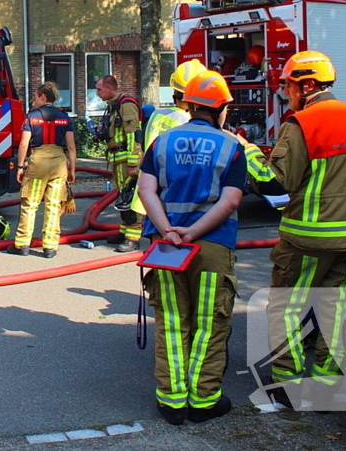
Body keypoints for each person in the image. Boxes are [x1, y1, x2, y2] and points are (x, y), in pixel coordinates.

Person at [263, 51, 346, 408]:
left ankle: (287, 383)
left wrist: (249, 154)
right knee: (336, 309)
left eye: (288, 85)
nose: (286, 92)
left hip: (308, 237)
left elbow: (277, 184)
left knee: (287, 307)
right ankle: (329, 381)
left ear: (308, 85)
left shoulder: (302, 123)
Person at [136, 70, 246, 425]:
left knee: (171, 321)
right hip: (211, 244)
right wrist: (193, 231)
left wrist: (168, 231)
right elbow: (229, 202)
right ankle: (203, 401)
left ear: (190, 106)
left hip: (166, 248)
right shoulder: (232, 146)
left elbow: (146, 191)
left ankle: (171, 401)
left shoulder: (162, 142)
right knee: (209, 325)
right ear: (222, 109)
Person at [127, 58, 207, 240]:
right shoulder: (193, 122)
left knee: (158, 234)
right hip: (180, 187)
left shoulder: (157, 114)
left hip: (152, 179)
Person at [10, 82, 77, 258]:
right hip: (58, 164)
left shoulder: (31, 117)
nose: (34, 100)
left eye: (36, 96)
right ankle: (50, 247)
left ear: (43, 96)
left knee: (30, 204)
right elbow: (71, 147)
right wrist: (72, 169)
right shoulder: (64, 117)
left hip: (38, 162)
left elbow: (24, 144)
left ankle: (23, 244)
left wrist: (20, 166)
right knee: (54, 205)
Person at [94, 74, 143, 251]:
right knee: (122, 197)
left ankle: (132, 238)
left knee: (129, 198)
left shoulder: (126, 105)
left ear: (109, 88)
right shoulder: (114, 106)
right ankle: (124, 231)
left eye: (99, 89)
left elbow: (133, 134)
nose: (97, 93)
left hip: (125, 160)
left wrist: (133, 162)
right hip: (116, 159)